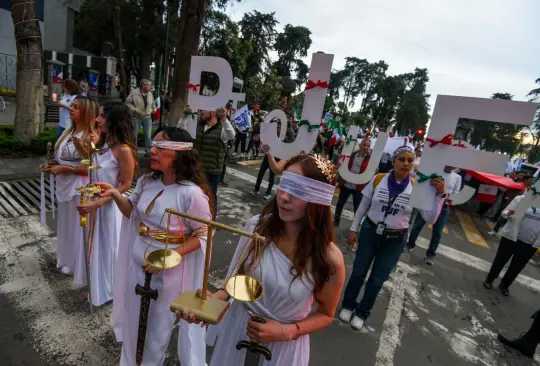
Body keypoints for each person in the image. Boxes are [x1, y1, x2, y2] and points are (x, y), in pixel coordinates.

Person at [178, 153, 345, 366]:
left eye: (297, 191)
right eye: (284, 186)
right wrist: (214, 301)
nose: (284, 197)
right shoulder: (257, 227)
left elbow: (326, 314)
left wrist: (287, 331)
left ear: (319, 201)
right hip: (239, 329)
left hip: (282, 346)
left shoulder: (329, 258)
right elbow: (233, 281)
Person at [98, 127, 212, 366]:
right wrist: (113, 194)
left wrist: (170, 256)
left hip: (168, 277)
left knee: (155, 334)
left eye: (160, 147)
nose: (152, 151)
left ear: (179, 154)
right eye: (153, 145)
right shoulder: (147, 181)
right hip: (136, 267)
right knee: (132, 323)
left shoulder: (192, 195)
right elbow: (131, 212)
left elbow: (203, 235)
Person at [339, 146, 445, 330]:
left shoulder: (416, 188)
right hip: (370, 232)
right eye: (401, 159)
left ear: (414, 164)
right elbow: (362, 207)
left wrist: (440, 196)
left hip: (395, 240)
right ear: (394, 161)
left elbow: (430, 218)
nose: (405, 164)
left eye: (409, 160)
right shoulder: (379, 178)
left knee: (377, 279)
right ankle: (348, 305)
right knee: (358, 272)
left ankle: (363, 312)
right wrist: (354, 229)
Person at [74, 102, 137, 306]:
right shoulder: (104, 144)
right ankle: (97, 286)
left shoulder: (124, 150)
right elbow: (94, 166)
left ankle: (108, 290)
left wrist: (100, 202)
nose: (97, 120)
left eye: (102, 117)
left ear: (114, 121)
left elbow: (126, 183)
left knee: (108, 248)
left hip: (109, 206)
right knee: (94, 245)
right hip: (95, 202)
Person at [43, 96, 99, 276]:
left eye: (76, 107)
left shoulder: (93, 136)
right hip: (64, 184)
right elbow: (63, 156)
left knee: (77, 227)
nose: (70, 109)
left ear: (87, 112)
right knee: (65, 224)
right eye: (72, 106)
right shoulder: (69, 130)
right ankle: (66, 258)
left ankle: (77, 264)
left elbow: (92, 169)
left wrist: (64, 168)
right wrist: (53, 163)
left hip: (79, 187)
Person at [483, 192, 540, 296]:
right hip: (511, 238)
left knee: (517, 266)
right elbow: (504, 212)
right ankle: (490, 279)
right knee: (500, 260)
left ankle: (505, 285)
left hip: (530, 244)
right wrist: (509, 213)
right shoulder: (521, 199)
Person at [405, 165, 462, 265]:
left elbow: (456, 194)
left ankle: (430, 254)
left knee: (437, 232)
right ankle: (410, 244)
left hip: (443, 208)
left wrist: (443, 195)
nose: (453, 165)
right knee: (417, 226)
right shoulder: (434, 171)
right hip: (427, 204)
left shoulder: (457, 178)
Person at [194, 107, 235, 209]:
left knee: (210, 199)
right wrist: (184, 117)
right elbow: (182, 130)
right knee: (194, 197)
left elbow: (231, 135)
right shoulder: (198, 125)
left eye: (204, 110)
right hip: (196, 169)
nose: (201, 112)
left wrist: (224, 119)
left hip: (212, 172)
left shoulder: (222, 129)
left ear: (212, 113)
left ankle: (210, 223)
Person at [333, 138, 372, 227]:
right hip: (346, 184)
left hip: (359, 187)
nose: (366, 147)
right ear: (360, 145)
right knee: (340, 203)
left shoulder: (370, 160)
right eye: (364, 144)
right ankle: (336, 220)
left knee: (357, 207)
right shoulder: (352, 155)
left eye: (368, 146)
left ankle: (355, 226)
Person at [251, 120, 293, 200]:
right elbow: (264, 144)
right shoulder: (270, 136)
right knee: (260, 174)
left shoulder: (284, 139)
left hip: (276, 160)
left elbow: (286, 149)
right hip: (267, 158)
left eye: (278, 128)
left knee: (271, 177)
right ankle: (256, 189)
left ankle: (268, 193)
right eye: (275, 128)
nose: (276, 129)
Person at [125, 79, 156, 157]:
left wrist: (154, 109)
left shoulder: (150, 94)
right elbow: (127, 102)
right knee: (134, 134)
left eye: (149, 85)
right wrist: (134, 110)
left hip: (147, 116)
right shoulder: (134, 92)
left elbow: (153, 104)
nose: (149, 87)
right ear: (143, 86)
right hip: (136, 116)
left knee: (148, 135)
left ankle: (148, 151)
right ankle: (134, 151)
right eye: (148, 85)